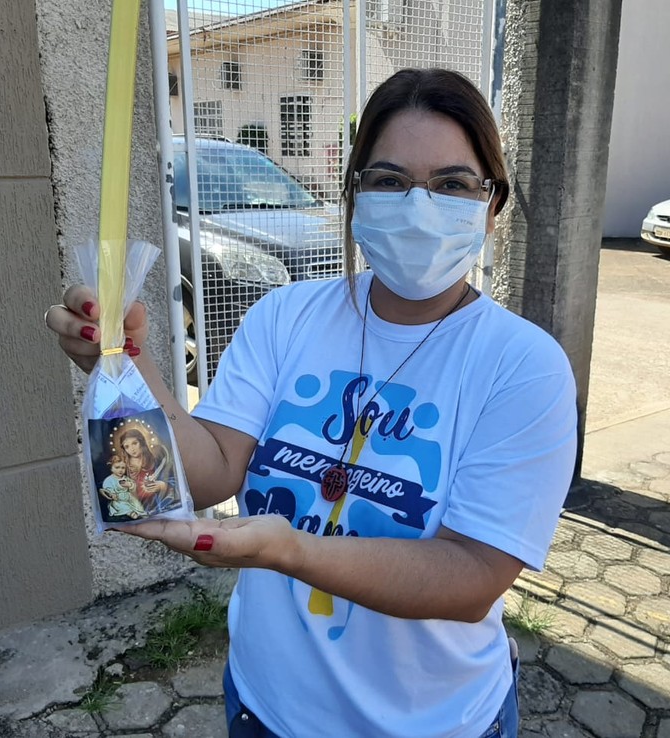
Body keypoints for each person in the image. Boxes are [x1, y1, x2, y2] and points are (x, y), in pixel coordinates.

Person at [46, 67, 577, 738]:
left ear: (492, 206)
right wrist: (124, 363)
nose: (418, 206)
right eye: (388, 180)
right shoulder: (285, 316)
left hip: (435, 723)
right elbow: (210, 469)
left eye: (452, 184)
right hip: (266, 706)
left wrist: (288, 550)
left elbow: (471, 578)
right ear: (354, 198)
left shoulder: (523, 367)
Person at [117, 428, 176, 513]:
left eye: (134, 443)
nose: (132, 449)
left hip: (158, 505)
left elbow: (172, 479)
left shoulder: (155, 460)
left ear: (141, 442)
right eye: (127, 446)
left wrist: (163, 486)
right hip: (139, 508)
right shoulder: (125, 468)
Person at [99, 455, 148, 520]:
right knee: (121, 506)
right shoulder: (109, 480)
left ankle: (141, 512)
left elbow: (133, 486)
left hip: (129, 498)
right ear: (111, 468)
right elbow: (107, 490)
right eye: (117, 467)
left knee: (137, 504)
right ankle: (130, 513)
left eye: (123, 468)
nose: (120, 470)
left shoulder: (125, 478)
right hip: (118, 500)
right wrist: (112, 494)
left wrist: (130, 485)